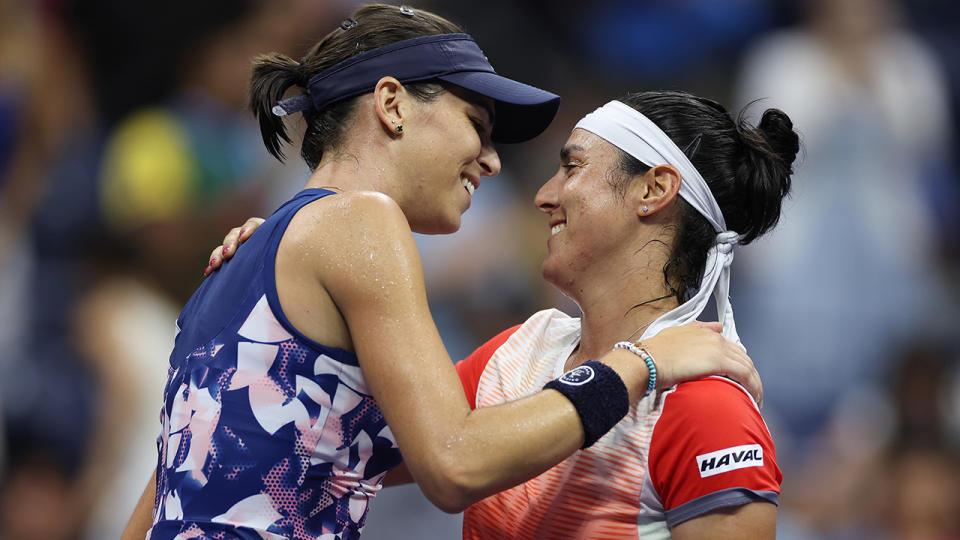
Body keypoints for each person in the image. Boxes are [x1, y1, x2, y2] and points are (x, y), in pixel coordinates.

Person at [121, 5, 761, 540]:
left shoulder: (255, 257)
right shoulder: (360, 222)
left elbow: (174, 485)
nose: (493, 162)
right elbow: (454, 461)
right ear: (393, 104)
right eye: (476, 126)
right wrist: (639, 364)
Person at [210, 89, 797, 539]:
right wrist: (285, 283)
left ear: (653, 190)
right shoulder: (519, 352)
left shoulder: (705, 407)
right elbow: (318, 443)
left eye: (571, 167)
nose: (543, 195)